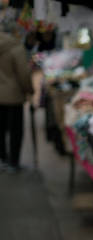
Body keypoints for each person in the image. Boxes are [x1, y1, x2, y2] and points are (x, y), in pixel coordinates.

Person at [0, 26, 33, 172]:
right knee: (15, 130)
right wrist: (29, 90)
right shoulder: (15, 46)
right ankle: (14, 162)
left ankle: (2, 159)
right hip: (13, 96)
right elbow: (23, 73)